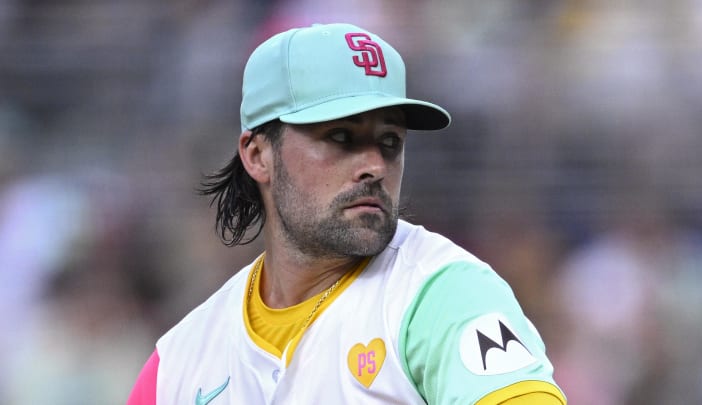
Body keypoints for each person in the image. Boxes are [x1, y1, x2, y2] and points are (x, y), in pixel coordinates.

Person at [127, 22, 566, 404]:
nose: (375, 165)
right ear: (258, 154)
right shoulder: (179, 362)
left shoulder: (441, 295)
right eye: (341, 136)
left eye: (390, 142)